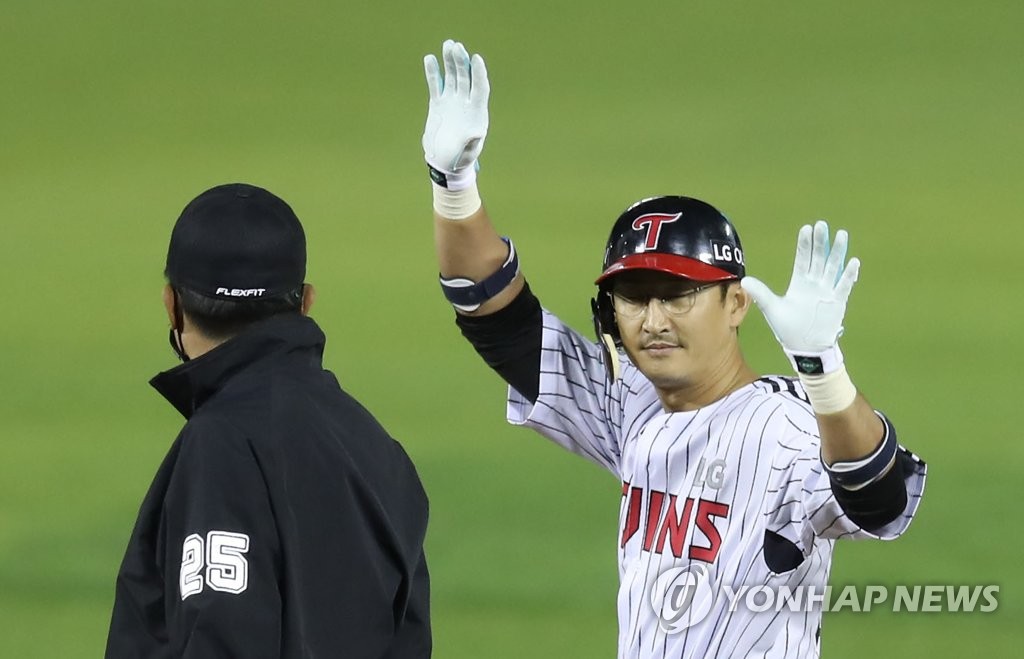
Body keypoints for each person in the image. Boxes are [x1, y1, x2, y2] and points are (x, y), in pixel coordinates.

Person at [420, 40, 926, 658]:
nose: (653, 320)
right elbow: (498, 318)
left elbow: (882, 500)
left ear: (736, 305)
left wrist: (824, 370)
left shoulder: (786, 427)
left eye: (678, 295)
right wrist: (455, 186)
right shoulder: (632, 402)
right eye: (634, 297)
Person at [105, 183, 431, 658]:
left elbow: (221, 637)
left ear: (171, 303)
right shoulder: (376, 447)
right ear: (306, 302)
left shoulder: (221, 442)